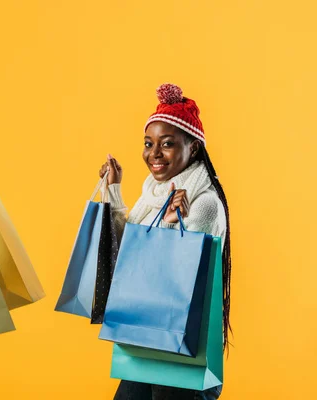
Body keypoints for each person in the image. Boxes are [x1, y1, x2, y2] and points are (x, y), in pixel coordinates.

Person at [100, 83, 231, 400]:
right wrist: (114, 190)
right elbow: (125, 251)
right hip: (147, 342)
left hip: (182, 350)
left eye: (167, 144)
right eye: (148, 143)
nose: (154, 154)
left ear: (193, 148)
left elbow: (181, 275)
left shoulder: (204, 203)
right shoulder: (154, 195)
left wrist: (173, 223)